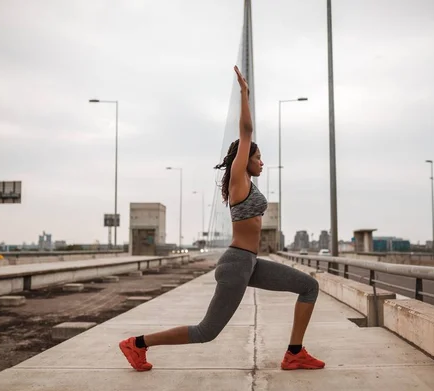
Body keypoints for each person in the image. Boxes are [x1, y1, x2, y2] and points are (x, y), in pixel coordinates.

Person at [119, 66, 324, 371]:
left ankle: (294, 352)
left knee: (309, 286)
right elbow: (246, 132)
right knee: (206, 332)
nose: (261, 161)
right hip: (237, 264)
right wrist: (244, 95)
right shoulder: (238, 181)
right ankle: (137, 343)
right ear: (244, 159)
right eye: (257, 157)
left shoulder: (247, 185)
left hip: (249, 263)